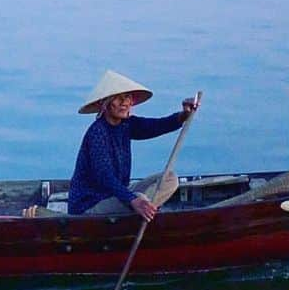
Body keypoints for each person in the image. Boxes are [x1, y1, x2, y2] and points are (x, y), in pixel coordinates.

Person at [67, 70, 199, 219]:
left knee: (170, 179)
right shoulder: (97, 133)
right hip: (90, 205)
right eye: (118, 98)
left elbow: (156, 126)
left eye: (128, 97)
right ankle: (143, 207)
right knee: (138, 197)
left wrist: (183, 116)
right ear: (105, 104)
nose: (125, 103)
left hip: (116, 195)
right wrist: (132, 199)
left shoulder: (127, 125)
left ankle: (145, 208)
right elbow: (104, 177)